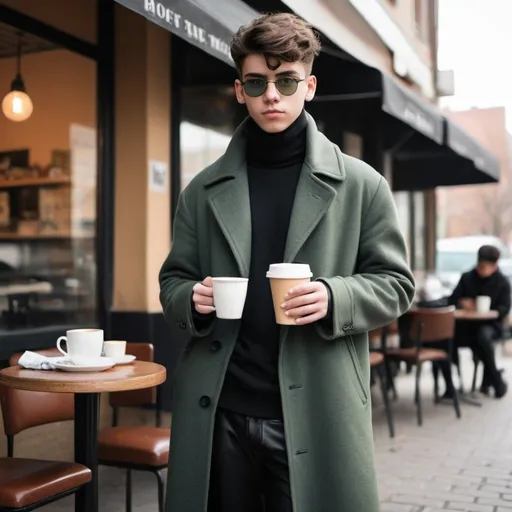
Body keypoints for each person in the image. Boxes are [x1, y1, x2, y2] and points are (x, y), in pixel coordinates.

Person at [159, 12, 415, 512]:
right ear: (240, 91)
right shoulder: (202, 189)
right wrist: (193, 297)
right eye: (257, 82)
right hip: (221, 410)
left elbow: (396, 285)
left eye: (286, 80)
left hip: (317, 407)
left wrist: (334, 295)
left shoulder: (362, 185)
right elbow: (173, 280)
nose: (271, 94)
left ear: (310, 85)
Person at [448, 244, 511, 397]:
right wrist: (463, 303)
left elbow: (504, 308)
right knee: (446, 339)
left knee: (482, 337)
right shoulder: (467, 277)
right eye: (480, 265)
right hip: (466, 325)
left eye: (485, 267)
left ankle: (493, 379)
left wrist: (490, 311)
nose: (481, 269)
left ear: (494, 266)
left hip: (491, 325)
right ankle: (453, 385)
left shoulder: (502, 282)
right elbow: (452, 300)